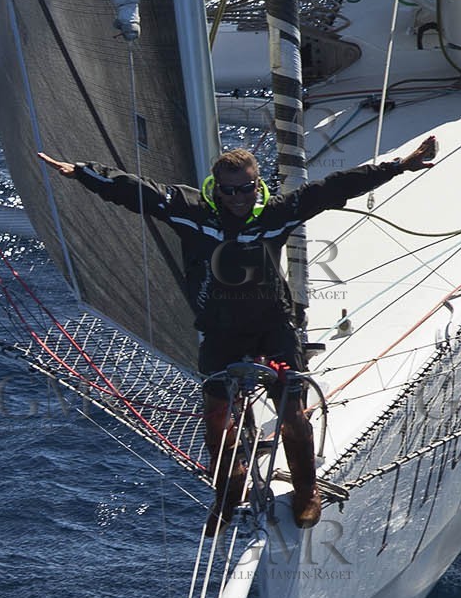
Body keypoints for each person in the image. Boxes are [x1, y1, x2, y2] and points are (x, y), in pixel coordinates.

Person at [38, 137, 438, 532]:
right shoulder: (190, 210)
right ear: (216, 188)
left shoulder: (277, 213)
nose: (238, 197)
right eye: (228, 190)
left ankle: (306, 491)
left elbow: (333, 188)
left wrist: (399, 165)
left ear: (257, 183)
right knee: (216, 421)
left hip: (273, 327)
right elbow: (135, 190)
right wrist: (84, 173)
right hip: (220, 331)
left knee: (293, 418)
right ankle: (228, 494)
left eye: (246, 188)